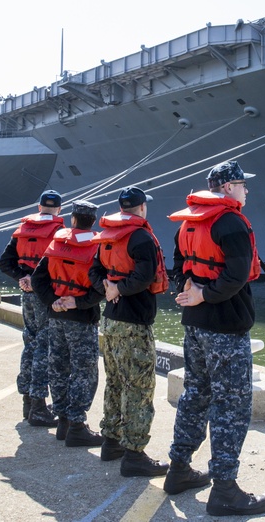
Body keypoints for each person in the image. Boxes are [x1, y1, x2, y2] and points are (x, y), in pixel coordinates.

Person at [164, 160, 265, 516]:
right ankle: (225, 489)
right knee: (231, 404)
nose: (246, 190)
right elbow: (237, 276)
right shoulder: (231, 222)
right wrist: (205, 295)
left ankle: (178, 469)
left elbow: (178, 266)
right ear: (227, 188)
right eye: (241, 184)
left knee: (196, 393)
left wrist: (190, 290)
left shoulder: (190, 222)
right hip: (225, 325)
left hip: (194, 323)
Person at [89, 187, 170, 477]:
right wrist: (120, 289)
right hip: (134, 323)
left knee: (115, 381)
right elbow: (145, 276)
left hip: (110, 319)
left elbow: (93, 271)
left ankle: (111, 442)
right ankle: (134, 454)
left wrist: (109, 290)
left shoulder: (107, 236)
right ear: (142, 208)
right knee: (139, 387)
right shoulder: (142, 237)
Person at [29, 200, 104, 447]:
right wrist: (78, 303)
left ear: (72, 219)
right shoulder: (97, 246)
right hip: (81, 319)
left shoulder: (56, 243)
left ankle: (63, 421)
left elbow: (38, 280)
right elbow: (100, 287)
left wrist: (53, 302)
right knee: (84, 371)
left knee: (58, 367)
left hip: (56, 319)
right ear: (92, 221)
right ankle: (77, 425)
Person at [0, 189, 64, 428]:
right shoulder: (59, 231)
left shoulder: (22, 231)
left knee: (30, 342)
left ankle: (27, 400)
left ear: (39, 207)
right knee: (44, 348)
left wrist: (23, 276)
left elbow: (5, 262)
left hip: (26, 295)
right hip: (47, 295)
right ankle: (38, 405)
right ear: (59, 209)